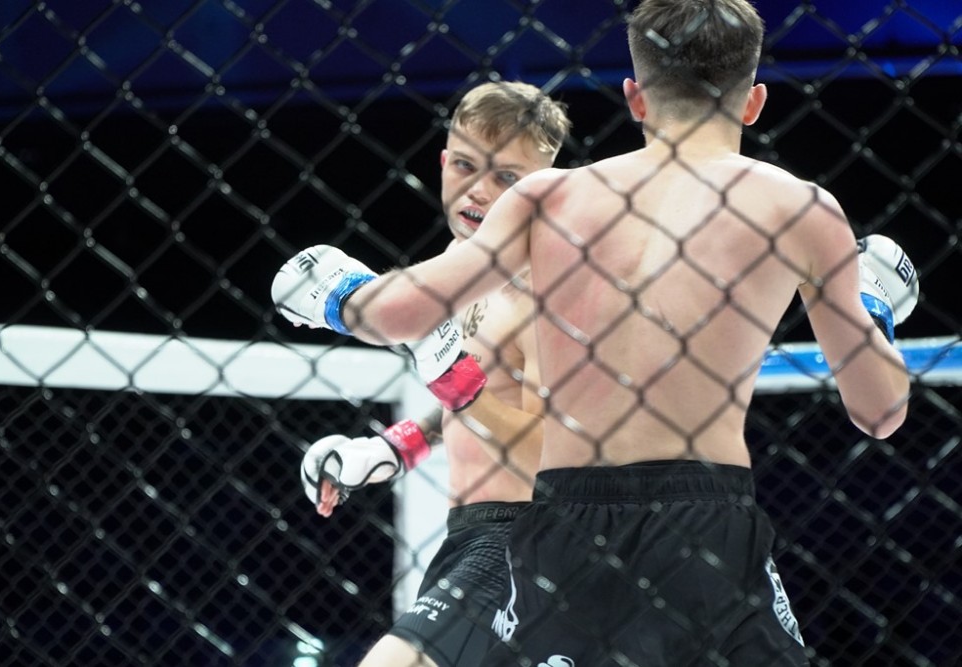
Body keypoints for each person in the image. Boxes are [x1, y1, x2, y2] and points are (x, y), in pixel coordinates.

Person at [273, 0, 918, 663]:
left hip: (565, 524)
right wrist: (870, 307)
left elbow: (399, 315)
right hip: (706, 516)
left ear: (634, 98)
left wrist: (337, 291)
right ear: (754, 103)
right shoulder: (799, 207)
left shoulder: (548, 198)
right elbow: (880, 411)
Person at [292, 81, 571, 667]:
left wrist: (452, 379)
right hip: (471, 536)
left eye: (507, 177)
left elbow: (557, 458)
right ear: (443, 163)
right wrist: (393, 448)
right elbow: (480, 395)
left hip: (527, 536)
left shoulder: (549, 290)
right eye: (466, 166)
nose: (479, 190)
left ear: (543, 187)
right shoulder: (454, 268)